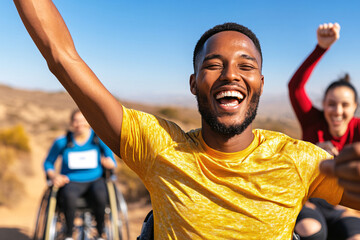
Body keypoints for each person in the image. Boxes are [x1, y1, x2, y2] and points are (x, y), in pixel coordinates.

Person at [13, 1, 360, 239]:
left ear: (260, 84)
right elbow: (62, 58)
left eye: (246, 65)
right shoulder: (160, 147)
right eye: (213, 64)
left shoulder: (298, 159)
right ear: (193, 84)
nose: (230, 75)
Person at [288, 23, 360, 240]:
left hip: (342, 206)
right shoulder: (311, 120)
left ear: (355, 107)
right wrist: (321, 48)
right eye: (331, 104)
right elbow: (295, 87)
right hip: (308, 202)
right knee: (310, 231)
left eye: (345, 105)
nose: (337, 111)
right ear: (323, 105)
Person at [44, 109, 116, 240]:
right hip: (71, 181)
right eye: (76, 121)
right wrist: (54, 176)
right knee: (68, 196)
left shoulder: (98, 138)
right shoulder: (62, 142)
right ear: (71, 123)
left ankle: (100, 234)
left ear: (88, 122)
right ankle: (69, 235)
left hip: (95, 179)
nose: (79, 124)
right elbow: (48, 163)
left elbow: (112, 160)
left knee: (101, 195)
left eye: (83, 120)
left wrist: (109, 163)